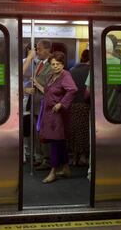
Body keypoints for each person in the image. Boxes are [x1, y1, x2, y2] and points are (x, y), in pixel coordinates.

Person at [33, 51, 77, 183]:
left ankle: (53, 171)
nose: (55, 66)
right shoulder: (51, 76)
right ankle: (65, 168)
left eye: (58, 64)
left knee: (55, 142)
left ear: (63, 65)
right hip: (49, 113)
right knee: (60, 142)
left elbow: (73, 89)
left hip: (57, 115)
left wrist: (61, 104)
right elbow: (49, 91)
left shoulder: (65, 75)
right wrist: (36, 85)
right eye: (53, 64)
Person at [23, 39, 53, 170]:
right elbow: (23, 74)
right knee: (37, 133)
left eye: (39, 49)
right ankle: (39, 157)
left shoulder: (52, 65)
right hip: (35, 104)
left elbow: (49, 85)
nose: (37, 52)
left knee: (44, 133)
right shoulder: (39, 63)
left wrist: (37, 84)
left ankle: (47, 159)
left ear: (47, 50)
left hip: (44, 104)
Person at [69, 49, 90, 166]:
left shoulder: (72, 70)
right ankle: (83, 156)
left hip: (73, 105)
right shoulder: (91, 71)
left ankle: (74, 157)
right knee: (84, 132)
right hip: (85, 105)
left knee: (75, 131)